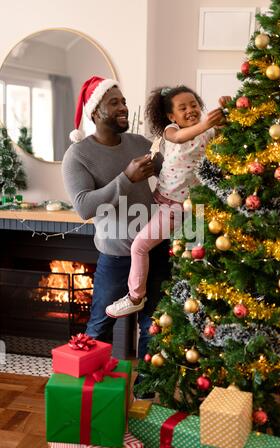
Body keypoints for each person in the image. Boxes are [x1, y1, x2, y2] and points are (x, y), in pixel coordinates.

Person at [62, 76, 170, 369]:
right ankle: (92, 398)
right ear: (96, 112)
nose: (123, 107)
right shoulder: (78, 155)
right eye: (114, 102)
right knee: (100, 327)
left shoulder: (138, 143)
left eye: (123, 101)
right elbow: (84, 206)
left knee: (154, 327)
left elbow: (172, 175)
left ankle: (145, 395)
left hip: (155, 251)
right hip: (116, 256)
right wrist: (126, 178)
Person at [106, 85, 227, 318]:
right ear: (172, 116)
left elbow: (225, 131)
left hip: (182, 209)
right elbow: (182, 136)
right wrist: (207, 124)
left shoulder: (208, 132)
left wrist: (226, 108)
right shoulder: (170, 131)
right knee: (146, 246)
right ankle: (138, 294)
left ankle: (136, 297)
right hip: (161, 201)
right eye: (183, 108)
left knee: (147, 248)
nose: (190, 110)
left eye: (194, 105)